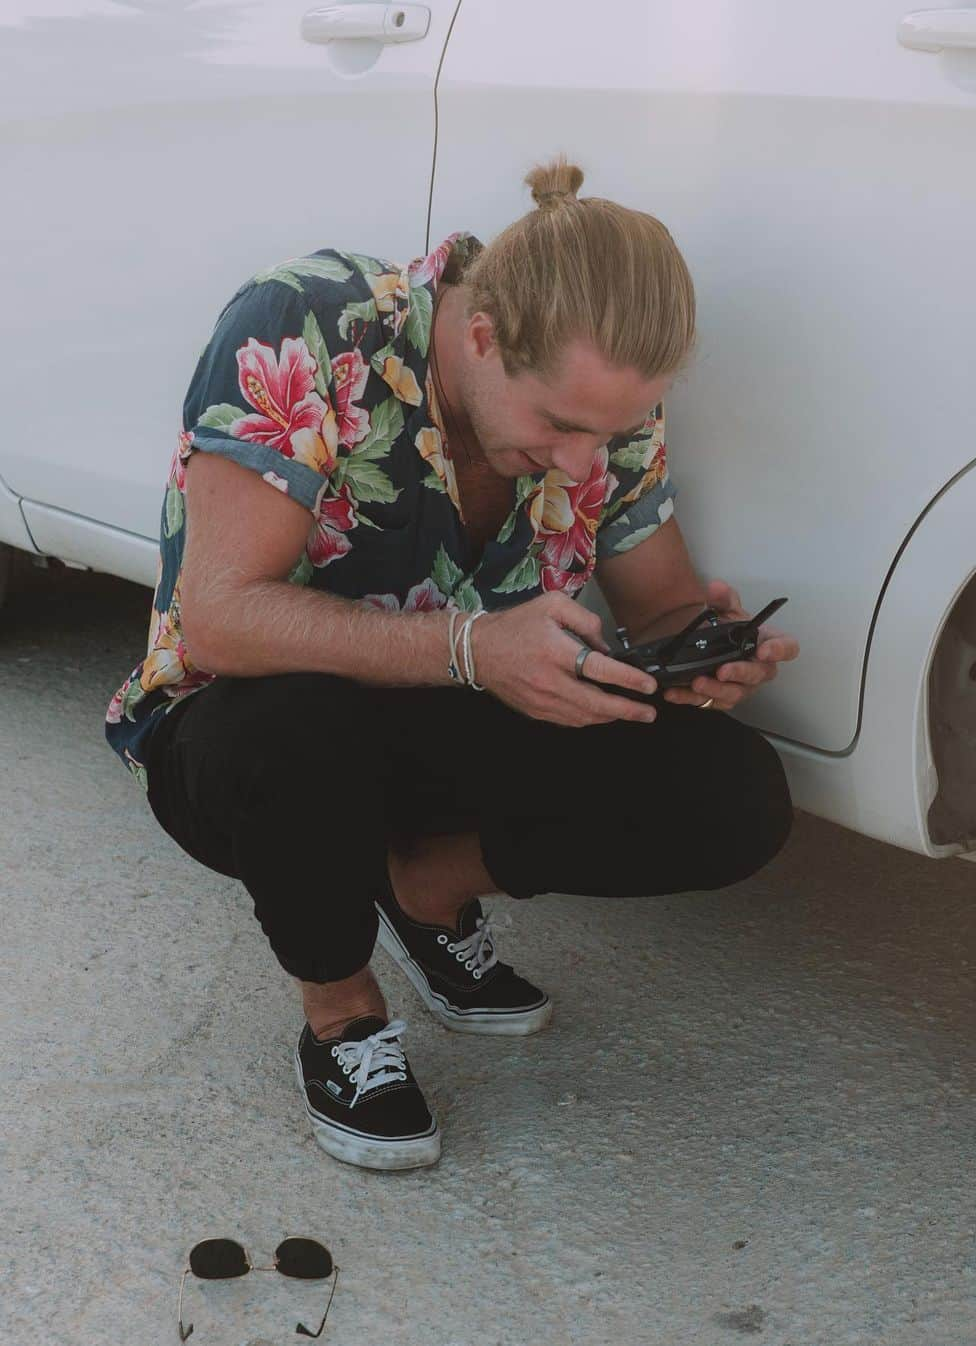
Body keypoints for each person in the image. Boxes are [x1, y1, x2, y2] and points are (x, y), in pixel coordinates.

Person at [105, 155, 800, 1172]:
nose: (581, 461)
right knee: (299, 728)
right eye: (561, 425)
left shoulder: (602, 413)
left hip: (451, 714)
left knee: (730, 786)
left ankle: (423, 886)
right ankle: (342, 1017)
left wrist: (700, 656)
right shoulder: (308, 320)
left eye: (605, 434)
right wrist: (473, 644)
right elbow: (218, 619)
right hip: (249, 729)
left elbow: (661, 602)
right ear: (479, 335)